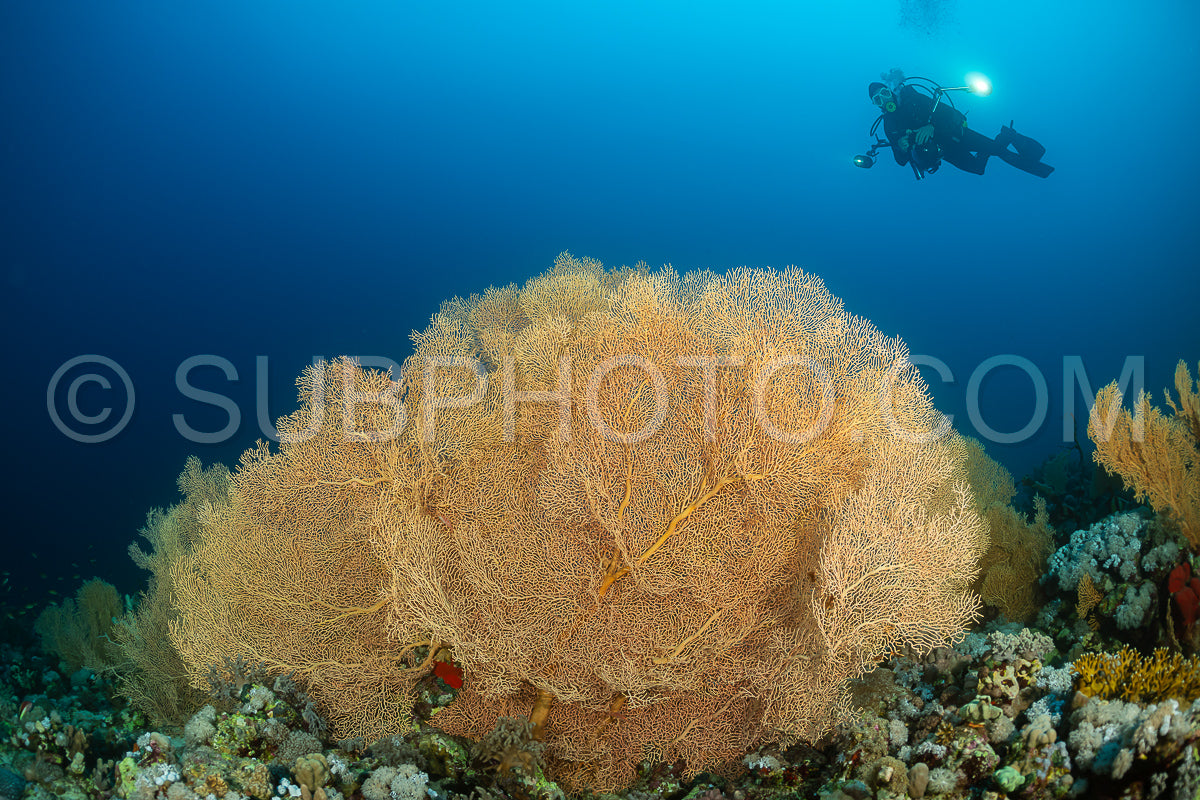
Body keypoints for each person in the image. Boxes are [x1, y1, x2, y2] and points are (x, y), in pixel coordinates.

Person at [868, 81, 1054, 178]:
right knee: (977, 169)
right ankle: (1001, 138)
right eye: (878, 99)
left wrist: (931, 125)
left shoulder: (914, 100)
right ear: (876, 105)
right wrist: (900, 146)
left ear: (890, 91)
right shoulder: (889, 125)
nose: (884, 100)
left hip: (956, 134)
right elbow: (900, 161)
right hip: (945, 151)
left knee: (1000, 151)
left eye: (884, 93)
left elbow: (951, 113)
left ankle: (1010, 137)